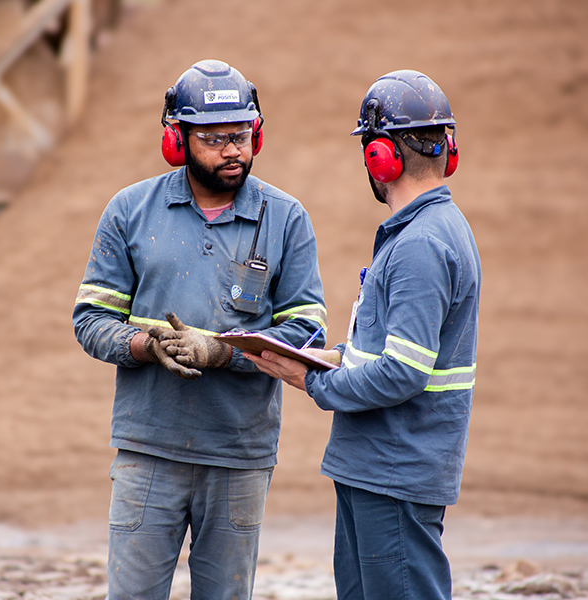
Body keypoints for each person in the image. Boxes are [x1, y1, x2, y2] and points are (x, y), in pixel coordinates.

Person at [72, 59, 327, 600]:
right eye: (213, 139)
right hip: (148, 452)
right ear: (177, 140)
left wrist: (221, 353)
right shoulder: (130, 212)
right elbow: (90, 319)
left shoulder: (285, 219)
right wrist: (145, 345)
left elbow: (307, 331)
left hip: (239, 457)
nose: (232, 151)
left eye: (241, 136)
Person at [246, 69, 481, 600]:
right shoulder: (427, 231)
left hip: (395, 470)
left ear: (380, 156)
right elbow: (391, 351)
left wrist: (312, 381)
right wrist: (331, 358)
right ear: (447, 149)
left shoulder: (421, 244)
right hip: (377, 467)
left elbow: (404, 371)